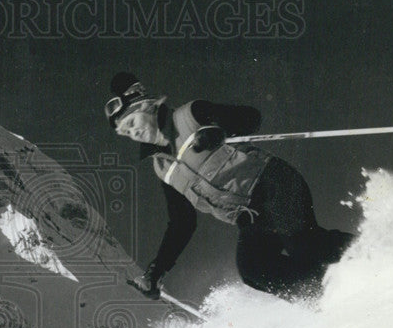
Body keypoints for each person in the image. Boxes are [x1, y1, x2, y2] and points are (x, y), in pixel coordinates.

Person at [105, 71, 354, 301]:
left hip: (273, 183)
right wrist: (156, 270)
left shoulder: (190, 115)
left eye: (132, 122)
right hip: (250, 216)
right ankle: (326, 295)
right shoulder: (163, 169)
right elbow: (182, 222)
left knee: (302, 244)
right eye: (125, 131)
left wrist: (218, 129)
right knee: (254, 268)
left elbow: (250, 117)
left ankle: (372, 257)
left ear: (146, 106)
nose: (132, 132)